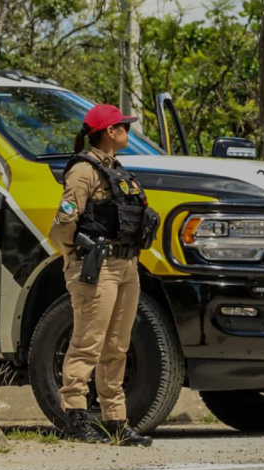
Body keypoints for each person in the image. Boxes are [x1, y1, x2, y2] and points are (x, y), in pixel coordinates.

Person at [48, 104, 159, 447]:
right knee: (87, 343)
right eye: (124, 126)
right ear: (110, 132)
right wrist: (74, 255)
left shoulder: (117, 170)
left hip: (126, 265)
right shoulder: (84, 171)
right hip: (98, 266)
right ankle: (76, 417)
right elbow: (65, 221)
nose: (128, 131)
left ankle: (115, 421)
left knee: (117, 346)